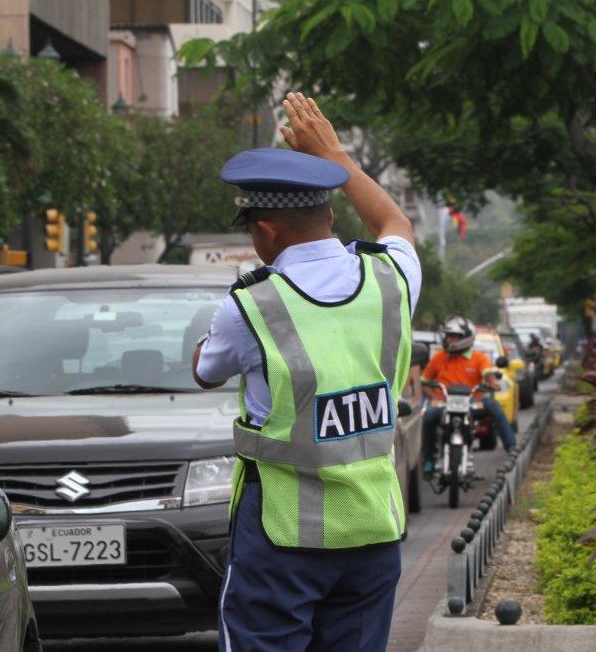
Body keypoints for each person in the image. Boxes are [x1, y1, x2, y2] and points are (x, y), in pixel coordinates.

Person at [192, 92, 420, 652]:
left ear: (266, 230)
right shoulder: (392, 280)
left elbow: (205, 370)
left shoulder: (251, 307)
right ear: (331, 215)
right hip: (372, 532)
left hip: (281, 538)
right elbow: (394, 220)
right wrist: (338, 159)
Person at [420, 317, 516, 471]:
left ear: (466, 337)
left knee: (493, 406)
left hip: (471, 403)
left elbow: (487, 374)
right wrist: (434, 397)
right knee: (428, 416)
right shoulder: (439, 357)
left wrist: (493, 383)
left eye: (454, 336)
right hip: (444, 404)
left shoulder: (478, 358)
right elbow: (424, 381)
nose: (449, 339)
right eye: (448, 336)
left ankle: (511, 448)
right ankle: (429, 460)